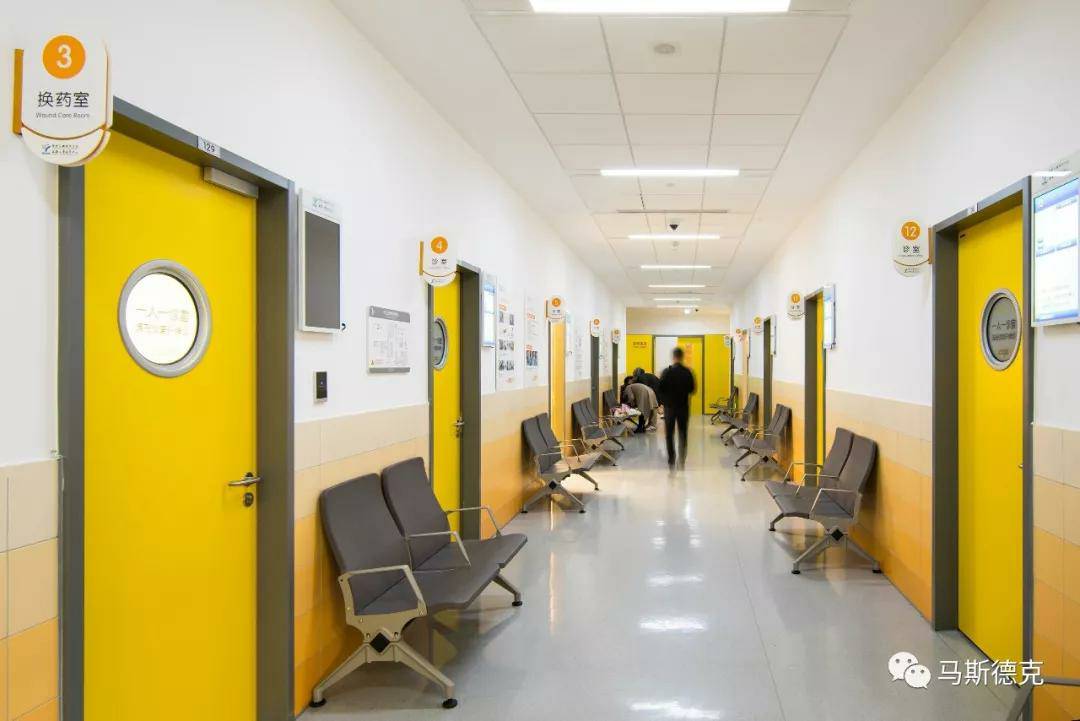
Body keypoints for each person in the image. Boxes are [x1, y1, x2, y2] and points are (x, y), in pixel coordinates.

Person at [657, 347, 695, 469]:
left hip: (670, 408)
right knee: (683, 433)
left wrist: (664, 401)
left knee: (669, 434)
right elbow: (692, 389)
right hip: (683, 407)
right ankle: (682, 460)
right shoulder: (688, 372)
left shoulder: (666, 372)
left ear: (673, 357)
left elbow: (660, 388)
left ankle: (671, 459)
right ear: (682, 357)